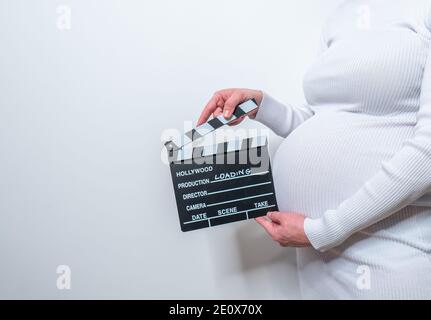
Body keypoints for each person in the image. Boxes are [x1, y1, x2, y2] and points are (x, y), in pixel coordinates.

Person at [198, 0, 431, 299]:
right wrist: (262, 106)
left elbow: (427, 154)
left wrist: (323, 230)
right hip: (316, 259)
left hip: (388, 250)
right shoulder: (340, 17)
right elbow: (323, 118)